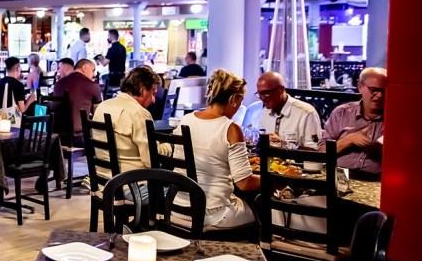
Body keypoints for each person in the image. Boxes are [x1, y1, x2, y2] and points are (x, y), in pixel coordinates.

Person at [175, 69, 258, 229]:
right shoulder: (230, 128)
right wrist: (275, 181)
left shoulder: (185, 120)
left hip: (178, 207)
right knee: (259, 210)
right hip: (212, 213)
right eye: (240, 100)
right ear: (233, 99)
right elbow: (244, 183)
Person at [92, 66, 171, 173]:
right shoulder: (138, 113)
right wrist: (169, 147)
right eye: (153, 93)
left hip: (102, 176)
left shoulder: (103, 106)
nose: (153, 100)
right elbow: (151, 159)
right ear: (143, 90)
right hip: (131, 179)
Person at [320, 67, 386, 177]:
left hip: (374, 181)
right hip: (338, 177)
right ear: (360, 87)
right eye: (373, 90)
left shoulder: (396, 119)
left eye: (384, 90)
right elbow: (321, 151)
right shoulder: (342, 113)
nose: (380, 95)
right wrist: (349, 140)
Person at [257, 71, 322, 148]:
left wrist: (283, 145)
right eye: (259, 94)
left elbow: (315, 151)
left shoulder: (306, 113)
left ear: (281, 90)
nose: (262, 98)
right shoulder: (265, 112)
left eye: (266, 93)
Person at [52, 58, 102, 145]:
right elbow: (97, 113)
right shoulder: (92, 85)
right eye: (93, 70)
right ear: (84, 68)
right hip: (79, 136)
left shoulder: (58, 84)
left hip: (57, 135)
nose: (94, 75)